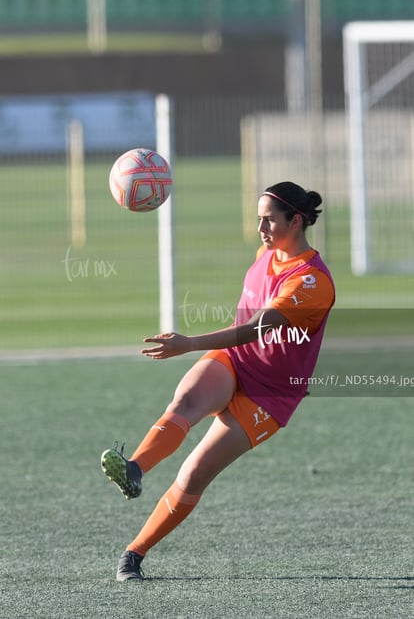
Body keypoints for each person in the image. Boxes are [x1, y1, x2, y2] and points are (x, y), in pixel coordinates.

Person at [101, 180, 335, 582]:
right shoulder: (267, 254)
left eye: (269, 220)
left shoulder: (312, 282)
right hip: (236, 361)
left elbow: (257, 327)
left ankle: (133, 554)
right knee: (185, 403)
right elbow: (246, 335)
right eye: (258, 219)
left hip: (269, 394)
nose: (261, 229)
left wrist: (190, 342)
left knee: (194, 474)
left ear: (296, 221)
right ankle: (135, 469)